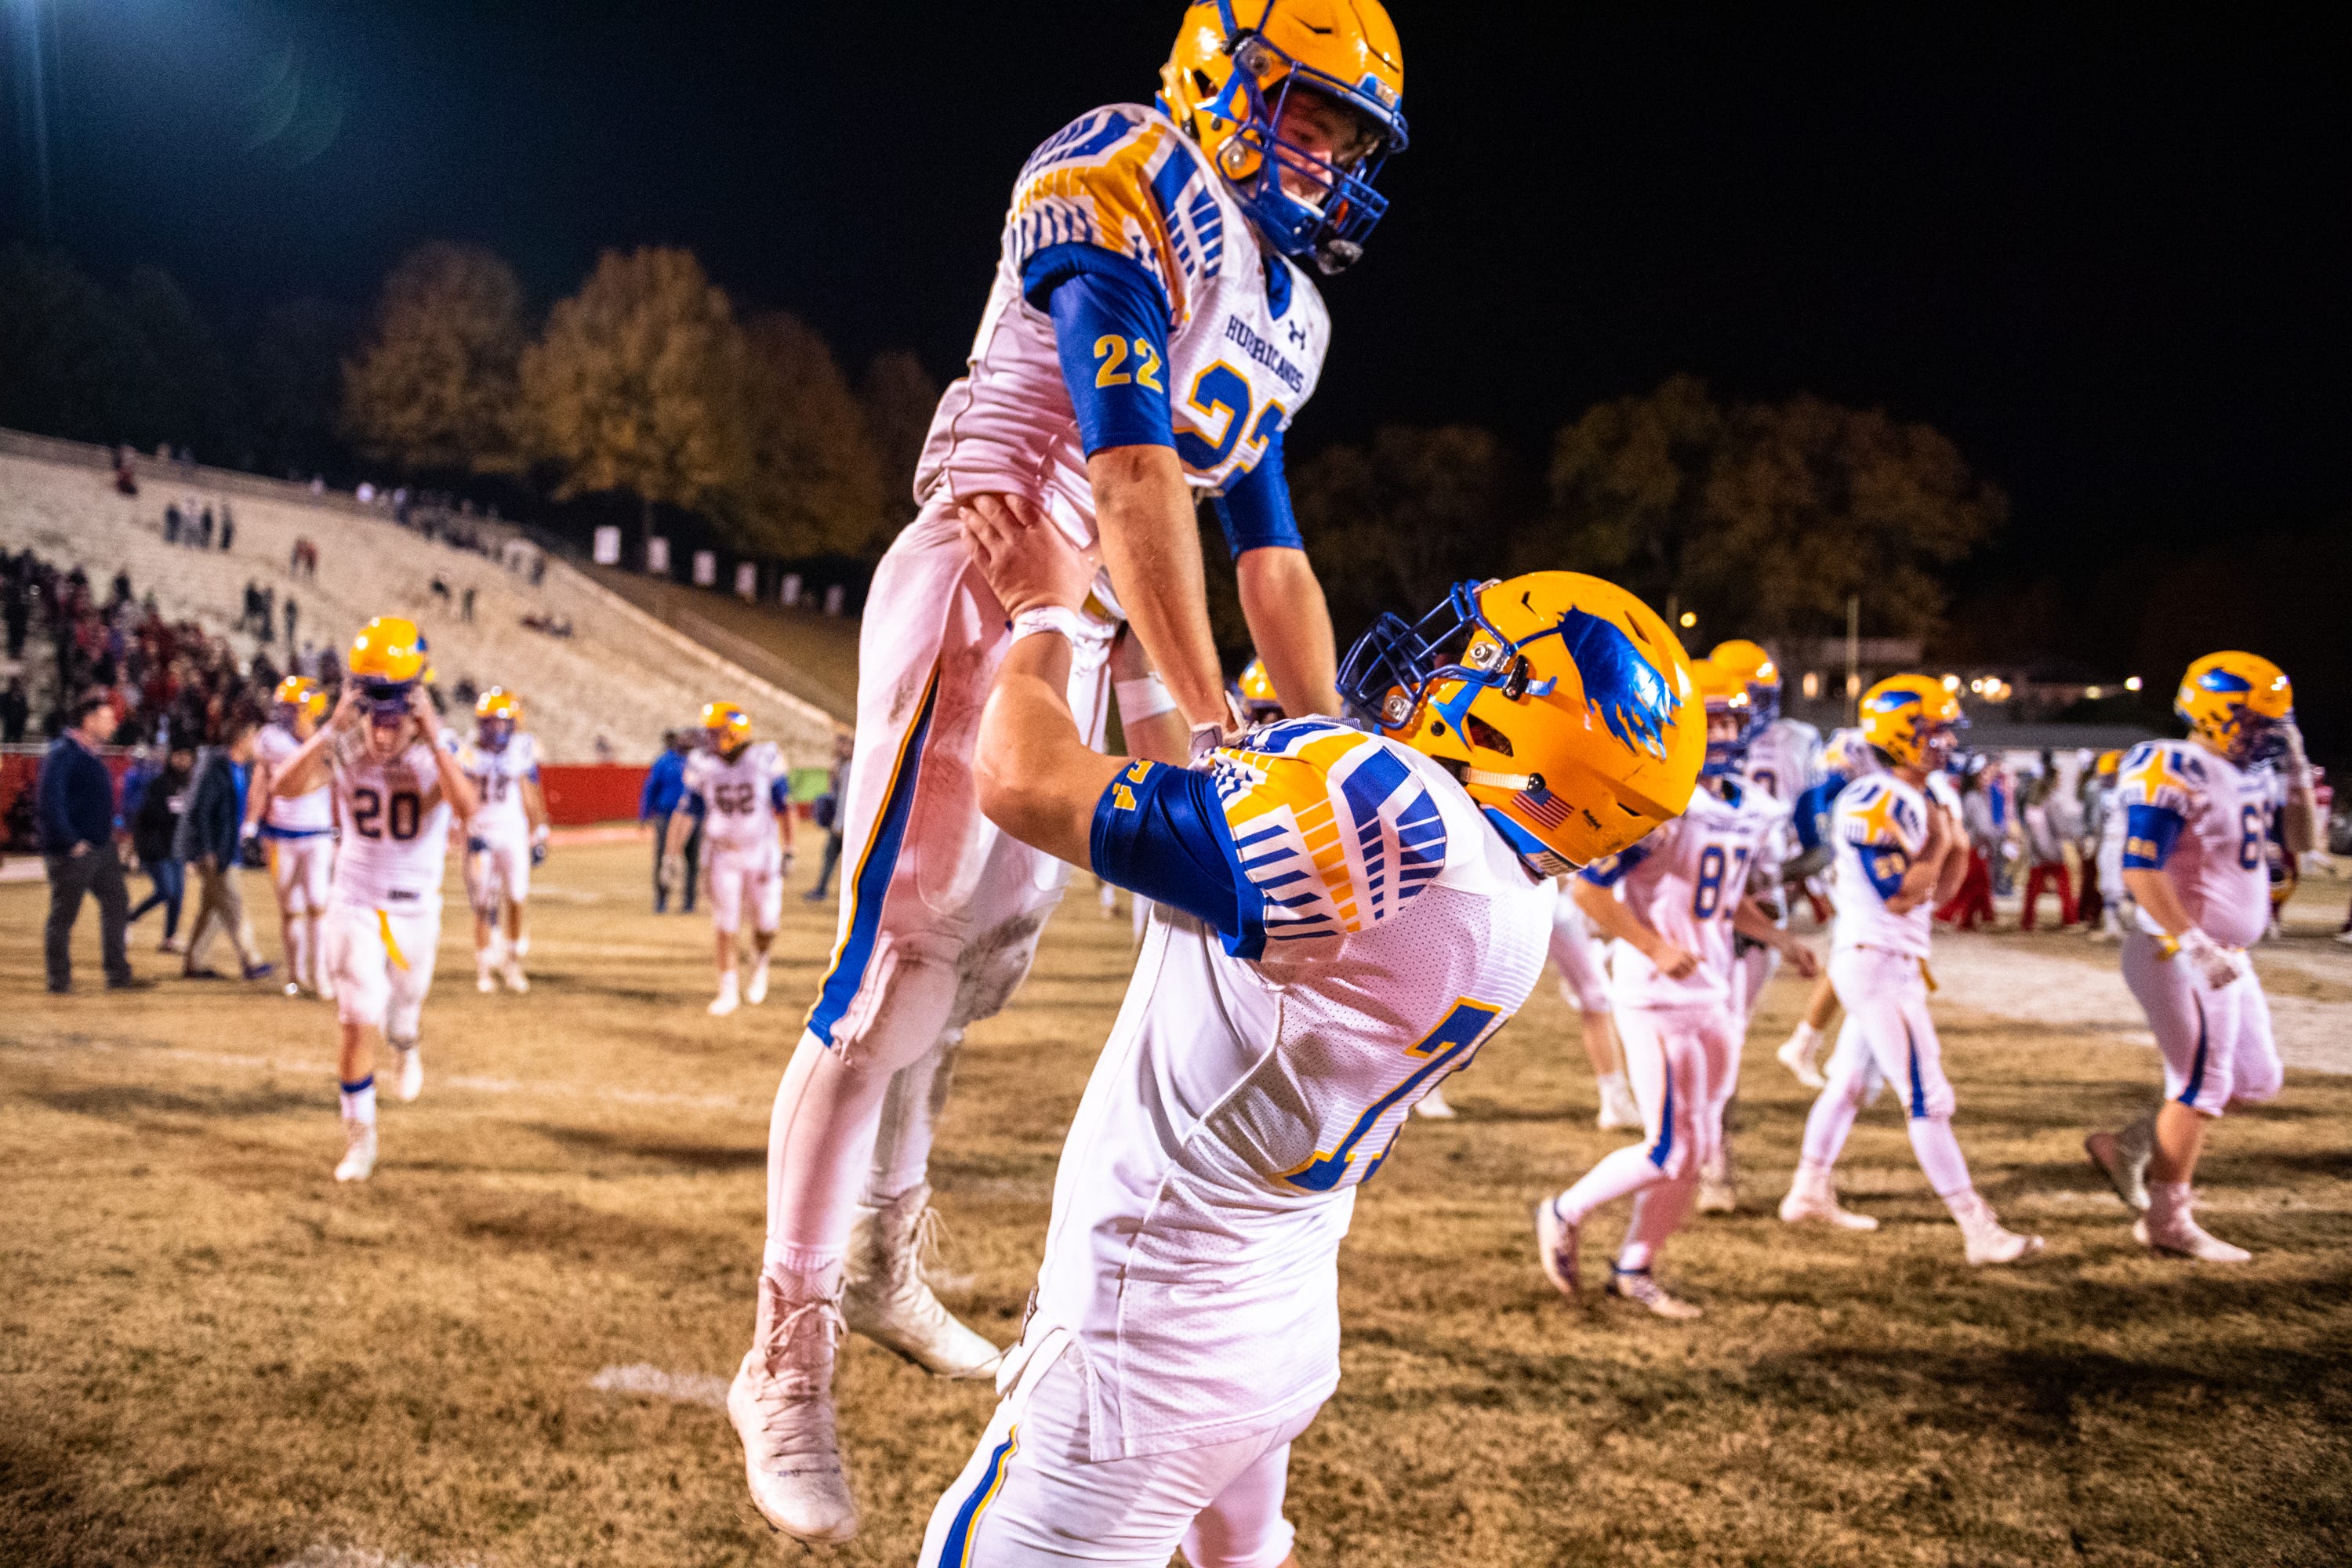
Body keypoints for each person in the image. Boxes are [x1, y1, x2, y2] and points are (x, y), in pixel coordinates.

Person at [733, 7, 1407, 1534]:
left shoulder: (1285, 308)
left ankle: (891, 1253)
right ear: (1223, 71)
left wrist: (1324, 752)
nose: (1326, 155)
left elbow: (1275, 559)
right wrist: (1220, 727)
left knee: (974, 971)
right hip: (998, 581)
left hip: (1091, 620)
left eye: (1350, 139)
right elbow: (1124, 468)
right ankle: (787, 1343)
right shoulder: (1125, 163)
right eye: (1309, 112)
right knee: (897, 965)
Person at [908, 509, 1700, 1563]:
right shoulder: (1506, 899)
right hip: (1268, 1325)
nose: (1441, 664)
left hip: (1145, 1358)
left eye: (1484, 660)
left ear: (1531, 732)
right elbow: (1186, 810)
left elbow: (1022, 777)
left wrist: (1043, 609)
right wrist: (1160, 628)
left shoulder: (1394, 817)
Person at [1537, 660, 1815, 1318]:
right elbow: (1589, 889)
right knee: (1669, 1147)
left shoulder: (1739, 803)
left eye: (1729, 718)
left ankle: (1636, 1265)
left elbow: (1724, 901)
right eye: (1709, 717)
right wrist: (1656, 946)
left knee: (1699, 1144)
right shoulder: (1657, 800)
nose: (1721, 730)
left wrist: (1779, 941)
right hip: (1656, 994)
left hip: (1713, 988)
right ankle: (1562, 1210)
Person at [1776, 677, 2041, 1265]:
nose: (1946, 741)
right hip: (1877, 963)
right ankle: (1978, 1227)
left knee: (1849, 1086)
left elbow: (1936, 896)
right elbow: (1899, 894)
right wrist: (1939, 846)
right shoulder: (1875, 799)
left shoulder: (1923, 797)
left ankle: (1807, 1189)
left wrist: (1954, 849)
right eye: (1934, 731)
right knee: (1926, 1096)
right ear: (1902, 735)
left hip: (1889, 958)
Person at [2083, 652, 2317, 1260]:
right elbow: (2140, 866)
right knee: (2201, 1085)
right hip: (2179, 950)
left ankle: (2131, 1147)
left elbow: (2304, 843)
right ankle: (2168, 1220)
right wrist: (2194, 941)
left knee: (2256, 1079)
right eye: (2260, 722)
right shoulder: (2173, 763)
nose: (2268, 734)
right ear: (2217, 713)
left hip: (2226, 954)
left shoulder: (2253, 772)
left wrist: (2294, 773)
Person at [272, 617, 477, 1182]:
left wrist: (434, 740)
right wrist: (327, 731)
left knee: (403, 1009)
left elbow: (469, 809)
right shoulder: (346, 744)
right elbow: (282, 788)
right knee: (357, 1018)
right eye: (373, 717)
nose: (381, 734)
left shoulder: (437, 748)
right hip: (356, 900)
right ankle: (360, 1141)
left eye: (393, 720)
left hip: (415, 907)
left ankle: (407, 1043)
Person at [1696, 639, 1814, 1210]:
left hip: (1754, 905)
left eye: (1761, 699)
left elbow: (1815, 837)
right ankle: (1697, 1151)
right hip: (1707, 909)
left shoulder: (1796, 744)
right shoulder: (1703, 741)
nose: (1756, 712)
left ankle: (1711, 1156)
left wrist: (1774, 878)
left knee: (1728, 1041)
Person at [664, 702, 794, 1017]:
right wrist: (671, 855)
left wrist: (790, 848)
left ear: (734, 732)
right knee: (725, 924)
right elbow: (687, 811)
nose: (709, 738)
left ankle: (760, 964)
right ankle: (728, 990)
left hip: (761, 852)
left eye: (716, 731)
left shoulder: (764, 758)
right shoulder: (702, 764)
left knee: (766, 923)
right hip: (722, 854)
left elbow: (784, 806)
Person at [1774, 727, 1879, 1084]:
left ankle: (1815, 1046)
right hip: (1847, 881)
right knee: (1859, 961)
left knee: (1857, 963)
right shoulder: (1828, 787)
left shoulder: (1846, 787)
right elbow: (1818, 846)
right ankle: (1817, 1047)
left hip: (1847, 878)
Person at [40, 693, 138, 993]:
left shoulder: (90, 754)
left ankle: (118, 973)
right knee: (64, 915)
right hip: (75, 850)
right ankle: (59, 979)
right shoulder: (63, 753)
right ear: (89, 719)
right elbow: (50, 800)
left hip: (100, 847)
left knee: (117, 902)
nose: (113, 724)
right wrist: (70, 841)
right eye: (108, 718)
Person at [247, 677, 337, 998]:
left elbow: (338, 787)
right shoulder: (271, 738)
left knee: (319, 904)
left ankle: (321, 974)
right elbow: (260, 780)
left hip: (318, 833)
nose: (286, 714)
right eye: (284, 707)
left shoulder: (329, 739)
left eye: (293, 707)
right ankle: (295, 973)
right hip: (281, 833)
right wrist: (251, 821)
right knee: (290, 908)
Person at [460, 688, 550, 994]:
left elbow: (529, 791)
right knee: (482, 902)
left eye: (498, 722)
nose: (492, 728)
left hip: (512, 830)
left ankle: (512, 963)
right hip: (482, 831)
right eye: (487, 722)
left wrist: (538, 830)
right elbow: (465, 795)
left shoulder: (521, 749)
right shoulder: (469, 752)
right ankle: (484, 968)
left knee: (515, 897)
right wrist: (465, 829)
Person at [180, 712, 276, 983]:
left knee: (212, 912)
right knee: (234, 906)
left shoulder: (241, 770)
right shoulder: (217, 769)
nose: (257, 742)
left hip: (228, 848)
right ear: (242, 739)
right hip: (216, 853)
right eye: (253, 737)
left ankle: (193, 964)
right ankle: (251, 961)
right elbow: (203, 812)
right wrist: (208, 850)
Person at [127, 742, 195, 952]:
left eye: (186, 755)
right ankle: (129, 917)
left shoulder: (190, 785)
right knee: (166, 891)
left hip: (177, 849)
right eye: (178, 755)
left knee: (178, 896)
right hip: (157, 847)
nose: (183, 760)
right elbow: (148, 816)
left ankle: (169, 938)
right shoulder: (159, 784)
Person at [639, 731, 698, 913]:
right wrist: (644, 814)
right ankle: (662, 900)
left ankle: (689, 902)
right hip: (666, 815)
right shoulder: (664, 762)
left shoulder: (697, 763)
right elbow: (651, 788)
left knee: (692, 860)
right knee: (664, 858)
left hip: (693, 816)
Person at [2018, 770, 2078, 930]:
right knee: (2064, 886)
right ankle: (2069, 919)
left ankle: (2028, 921)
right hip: (2052, 852)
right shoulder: (2051, 802)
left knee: (2032, 889)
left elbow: (2030, 831)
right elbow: (2059, 827)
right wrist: (2072, 836)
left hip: (2036, 853)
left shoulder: (2031, 804)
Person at [804, 730, 855, 902]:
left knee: (835, 859)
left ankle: (823, 890)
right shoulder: (843, 766)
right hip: (848, 824)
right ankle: (823, 889)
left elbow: (845, 799)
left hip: (845, 825)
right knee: (833, 858)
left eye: (844, 743)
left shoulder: (849, 768)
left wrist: (840, 824)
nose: (839, 747)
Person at [2, 674, 28, 742]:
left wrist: (22, 720)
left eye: (16, 684)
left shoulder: (21, 697)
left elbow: (24, 709)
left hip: (18, 725)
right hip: (8, 723)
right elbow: (2, 707)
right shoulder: (5, 696)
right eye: (13, 684)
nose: (14, 686)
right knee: (7, 740)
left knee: (17, 741)